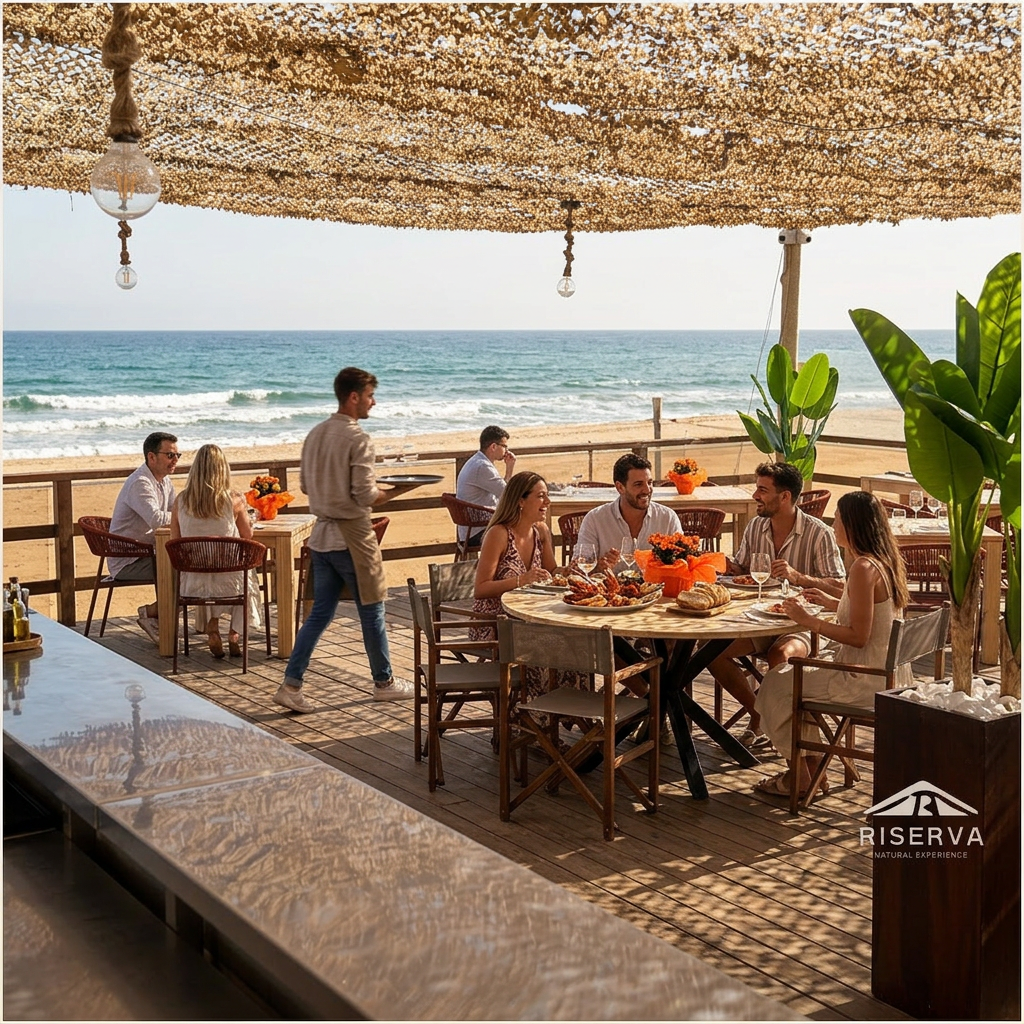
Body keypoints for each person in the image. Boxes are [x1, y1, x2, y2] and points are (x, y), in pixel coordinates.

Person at [752, 490, 911, 799]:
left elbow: (858, 635)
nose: (833, 523)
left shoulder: (863, 569)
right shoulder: (882, 563)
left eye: (837, 518)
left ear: (852, 525)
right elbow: (870, 614)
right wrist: (830, 600)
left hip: (861, 679)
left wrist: (807, 619)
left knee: (775, 682)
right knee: (793, 680)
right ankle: (812, 771)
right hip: (886, 674)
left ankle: (800, 774)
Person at [274, 367, 414, 713]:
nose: (373, 402)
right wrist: (400, 489)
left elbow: (306, 486)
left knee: (320, 613)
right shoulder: (358, 439)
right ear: (354, 397)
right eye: (369, 396)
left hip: (321, 537)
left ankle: (291, 684)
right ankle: (384, 682)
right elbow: (365, 495)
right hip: (352, 536)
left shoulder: (315, 434)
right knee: (373, 610)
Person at [708, 462, 846, 749]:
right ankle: (760, 714)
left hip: (803, 624)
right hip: (759, 618)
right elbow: (742, 571)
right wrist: (717, 563)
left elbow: (841, 588)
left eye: (762, 489)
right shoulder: (756, 526)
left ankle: (776, 730)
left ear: (784, 497)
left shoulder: (818, 533)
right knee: (709, 652)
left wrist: (799, 577)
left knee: (780, 656)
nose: (755, 496)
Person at [471, 471, 585, 703]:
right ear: (520, 501)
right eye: (541, 496)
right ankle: (532, 721)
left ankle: (560, 715)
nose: (547, 502)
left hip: (530, 619)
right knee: (548, 650)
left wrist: (567, 571)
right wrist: (520, 580)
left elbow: (551, 571)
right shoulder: (498, 534)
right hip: (494, 623)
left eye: (547, 496)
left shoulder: (540, 530)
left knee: (578, 646)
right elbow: (480, 589)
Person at [169, 444, 260, 658]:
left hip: (193, 580)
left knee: (208, 575)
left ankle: (212, 626)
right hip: (230, 578)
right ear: (223, 469)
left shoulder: (181, 500)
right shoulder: (234, 500)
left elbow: (175, 540)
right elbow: (247, 536)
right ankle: (234, 633)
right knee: (247, 575)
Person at [108, 431, 180, 644]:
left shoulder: (164, 481)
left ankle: (160, 616)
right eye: (170, 455)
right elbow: (159, 520)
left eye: (178, 455)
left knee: (186, 563)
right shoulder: (140, 482)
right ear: (151, 457)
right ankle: (151, 613)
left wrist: (181, 515)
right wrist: (184, 516)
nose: (175, 460)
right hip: (128, 559)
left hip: (149, 553)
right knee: (181, 567)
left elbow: (175, 513)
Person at [574, 453, 681, 571]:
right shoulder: (595, 520)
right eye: (638, 484)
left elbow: (683, 563)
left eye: (649, 483)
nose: (647, 490)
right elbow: (578, 569)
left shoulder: (668, 518)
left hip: (657, 588)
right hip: (611, 589)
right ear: (620, 487)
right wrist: (599, 567)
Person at [455, 425, 517, 550]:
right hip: (477, 531)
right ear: (493, 446)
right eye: (504, 446)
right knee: (526, 531)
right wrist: (510, 468)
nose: (507, 450)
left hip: (472, 528)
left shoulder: (477, 461)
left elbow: (502, 490)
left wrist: (509, 468)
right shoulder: (483, 467)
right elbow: (507, 494)